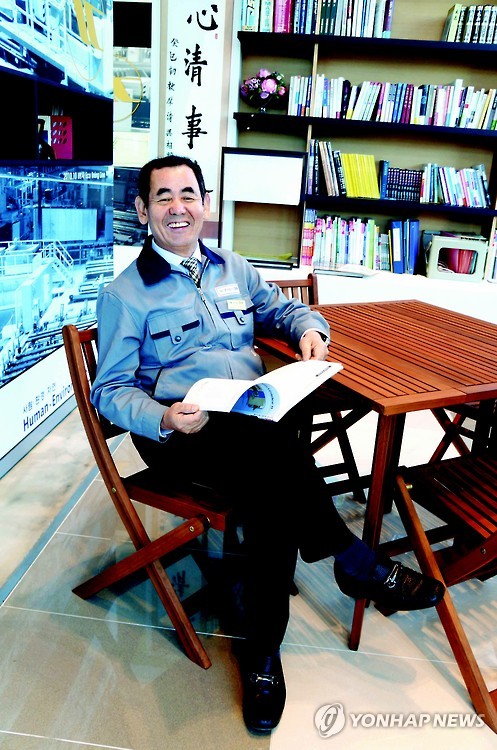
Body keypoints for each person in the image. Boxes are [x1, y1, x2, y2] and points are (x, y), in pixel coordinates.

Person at [91, 155, 445, 734]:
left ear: (205, 203)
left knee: (270, 486)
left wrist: (310, 331)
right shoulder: (126, 294)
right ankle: (351, 560)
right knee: (277, 453)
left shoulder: (232, 267)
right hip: (184, 432)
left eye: (188, 194)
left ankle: (264, 654)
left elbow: (285, 309)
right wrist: (163, 417)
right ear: (142, 209)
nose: (178, 207)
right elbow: (109, 390)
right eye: (163, 197)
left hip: (252, 425)